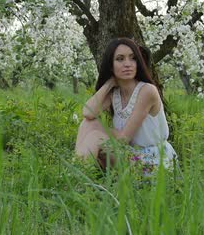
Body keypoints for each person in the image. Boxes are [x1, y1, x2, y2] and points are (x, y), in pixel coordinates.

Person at [75, 38, 177, 173]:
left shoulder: (147, 91)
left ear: (138, 63)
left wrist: (98, 133)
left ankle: (75, 179)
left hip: (152, 161)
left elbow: (123, 139)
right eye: (120, 59)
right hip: (129, 155)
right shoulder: (114, 94)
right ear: (111, 66)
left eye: (132, 58)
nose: (127, 64)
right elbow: (88, 113)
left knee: (95, 136)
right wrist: (109, 84)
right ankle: (77, 173)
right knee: (87, 124)